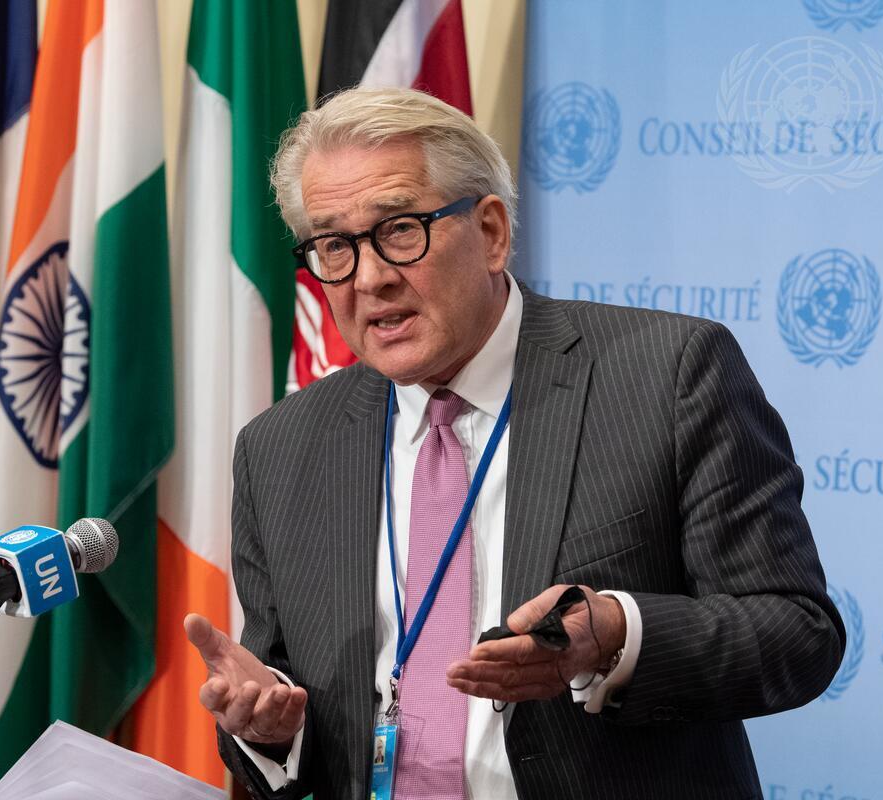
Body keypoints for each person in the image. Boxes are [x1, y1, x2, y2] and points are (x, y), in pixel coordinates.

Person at [184, 87, 844, 799]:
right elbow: (278, 695)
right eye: (335, 247)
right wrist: (269, 730)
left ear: (492, 232)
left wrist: (615, 634)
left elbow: (796, 632)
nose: (369, 278)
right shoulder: (279, 448)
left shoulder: (668, 375)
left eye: (400, 230)